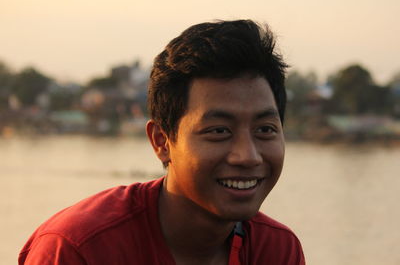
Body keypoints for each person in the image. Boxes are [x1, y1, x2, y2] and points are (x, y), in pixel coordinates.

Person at [19, 19, 305, 265]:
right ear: (162, 141)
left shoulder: (275, 250)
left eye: (265, 129)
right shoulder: (79, 249)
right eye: (219, 131)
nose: (248, 156)